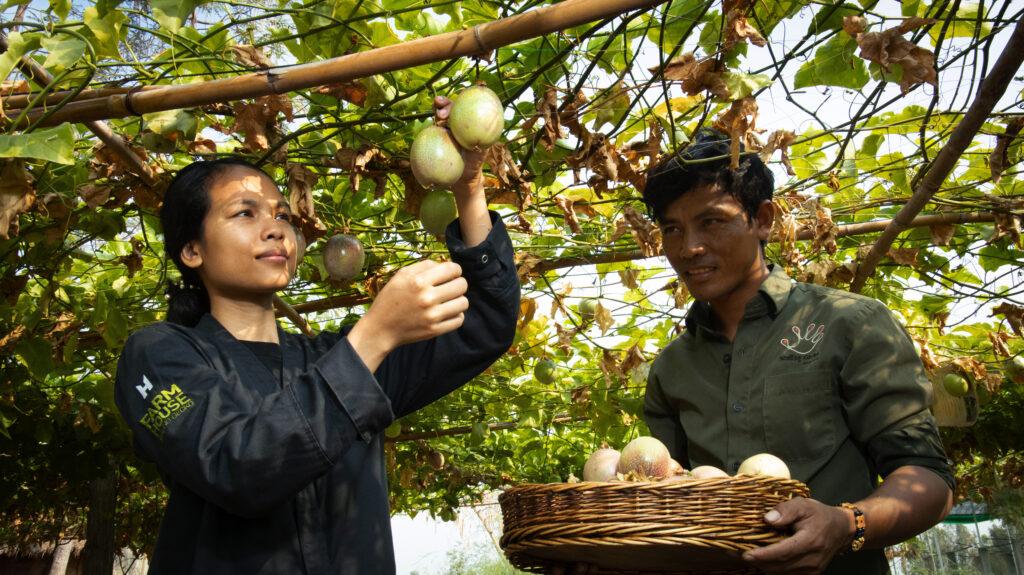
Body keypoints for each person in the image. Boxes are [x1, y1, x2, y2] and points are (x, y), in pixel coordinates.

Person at [113, 98, 520, 574]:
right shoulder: (158, 354)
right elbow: (237, 468)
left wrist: (469, 185)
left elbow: (486, 323)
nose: (275, 229)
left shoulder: (337, 356)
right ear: (191, 249)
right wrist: (374, 333)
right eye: (245, 214)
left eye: (282, 215)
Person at [640, 129, 954, 575]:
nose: (689, 247)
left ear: (763, 219)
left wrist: (847, 524)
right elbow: (662, 500)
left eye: (711, 221)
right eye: (672, 229)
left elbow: (929, 480)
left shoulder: (850, 324)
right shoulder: (672, 367)